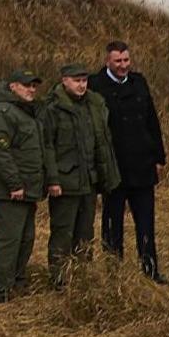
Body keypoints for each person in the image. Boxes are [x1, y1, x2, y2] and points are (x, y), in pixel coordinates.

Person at [92, 40, 166, 279]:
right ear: (107, 62)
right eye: (118, 61)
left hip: (142, 165)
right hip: (114, 168)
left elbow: (151, 121)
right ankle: (115, 273)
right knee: (112, 223)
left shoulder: (139, 82)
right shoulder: (95, 85)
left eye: (126, 60)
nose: (123, 65)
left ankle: (150, 270)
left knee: (146, 221)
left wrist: (159, 157)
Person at [40, 63, 120, 285]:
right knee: (62, 234)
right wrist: (53, 180)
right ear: (64, 81)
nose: (81, 85)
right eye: (77, 81)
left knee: (85, 234)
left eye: (84, 80)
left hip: (89, 182)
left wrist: (105, 177)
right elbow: (47, 147)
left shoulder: (93, 105)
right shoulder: (53, 109)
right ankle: (60, 280)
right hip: (65, 184)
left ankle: (83, 279)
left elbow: (102, 144)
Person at [0, 68, 46, 302]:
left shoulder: (25, 112)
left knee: (26, 238)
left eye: (34, 86)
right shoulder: (2, 112)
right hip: (11, 191)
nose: (31, 89)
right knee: (9, 240)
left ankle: (17, 283)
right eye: (26, 85)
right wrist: (14, 183)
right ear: (13, 87)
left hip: (28, 189)